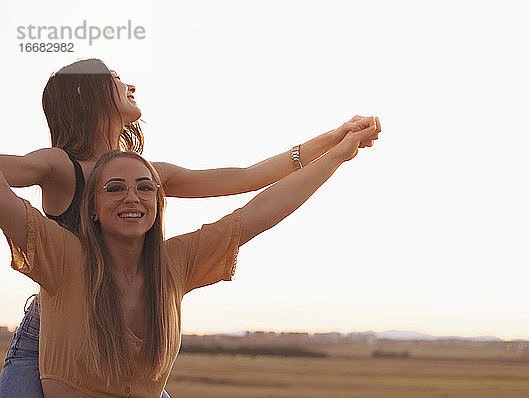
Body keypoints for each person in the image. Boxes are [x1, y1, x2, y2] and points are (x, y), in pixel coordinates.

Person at [0, 57, 380, 397]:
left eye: (143, 190)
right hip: (58, 329)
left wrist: (336, 141)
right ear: (85, 90)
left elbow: (247, 178)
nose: (132, 197)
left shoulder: (145, 175)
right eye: (116, 78)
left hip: (133, 318)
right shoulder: (59, 166)